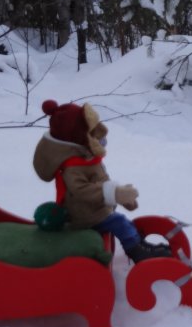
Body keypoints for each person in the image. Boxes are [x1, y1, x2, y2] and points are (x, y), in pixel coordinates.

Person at [33, 99, 172, 263]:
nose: (97, 134)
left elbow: (101, 180)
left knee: (122, 220)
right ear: (77, 135)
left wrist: (120, 196)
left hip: (95, 209)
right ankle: (136, 251)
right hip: (83, 216)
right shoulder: (72, 166)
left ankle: (141, 244)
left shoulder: (85, 156)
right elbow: (81, 190)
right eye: (90, 131)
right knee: (119, 222)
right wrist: (114, 193)